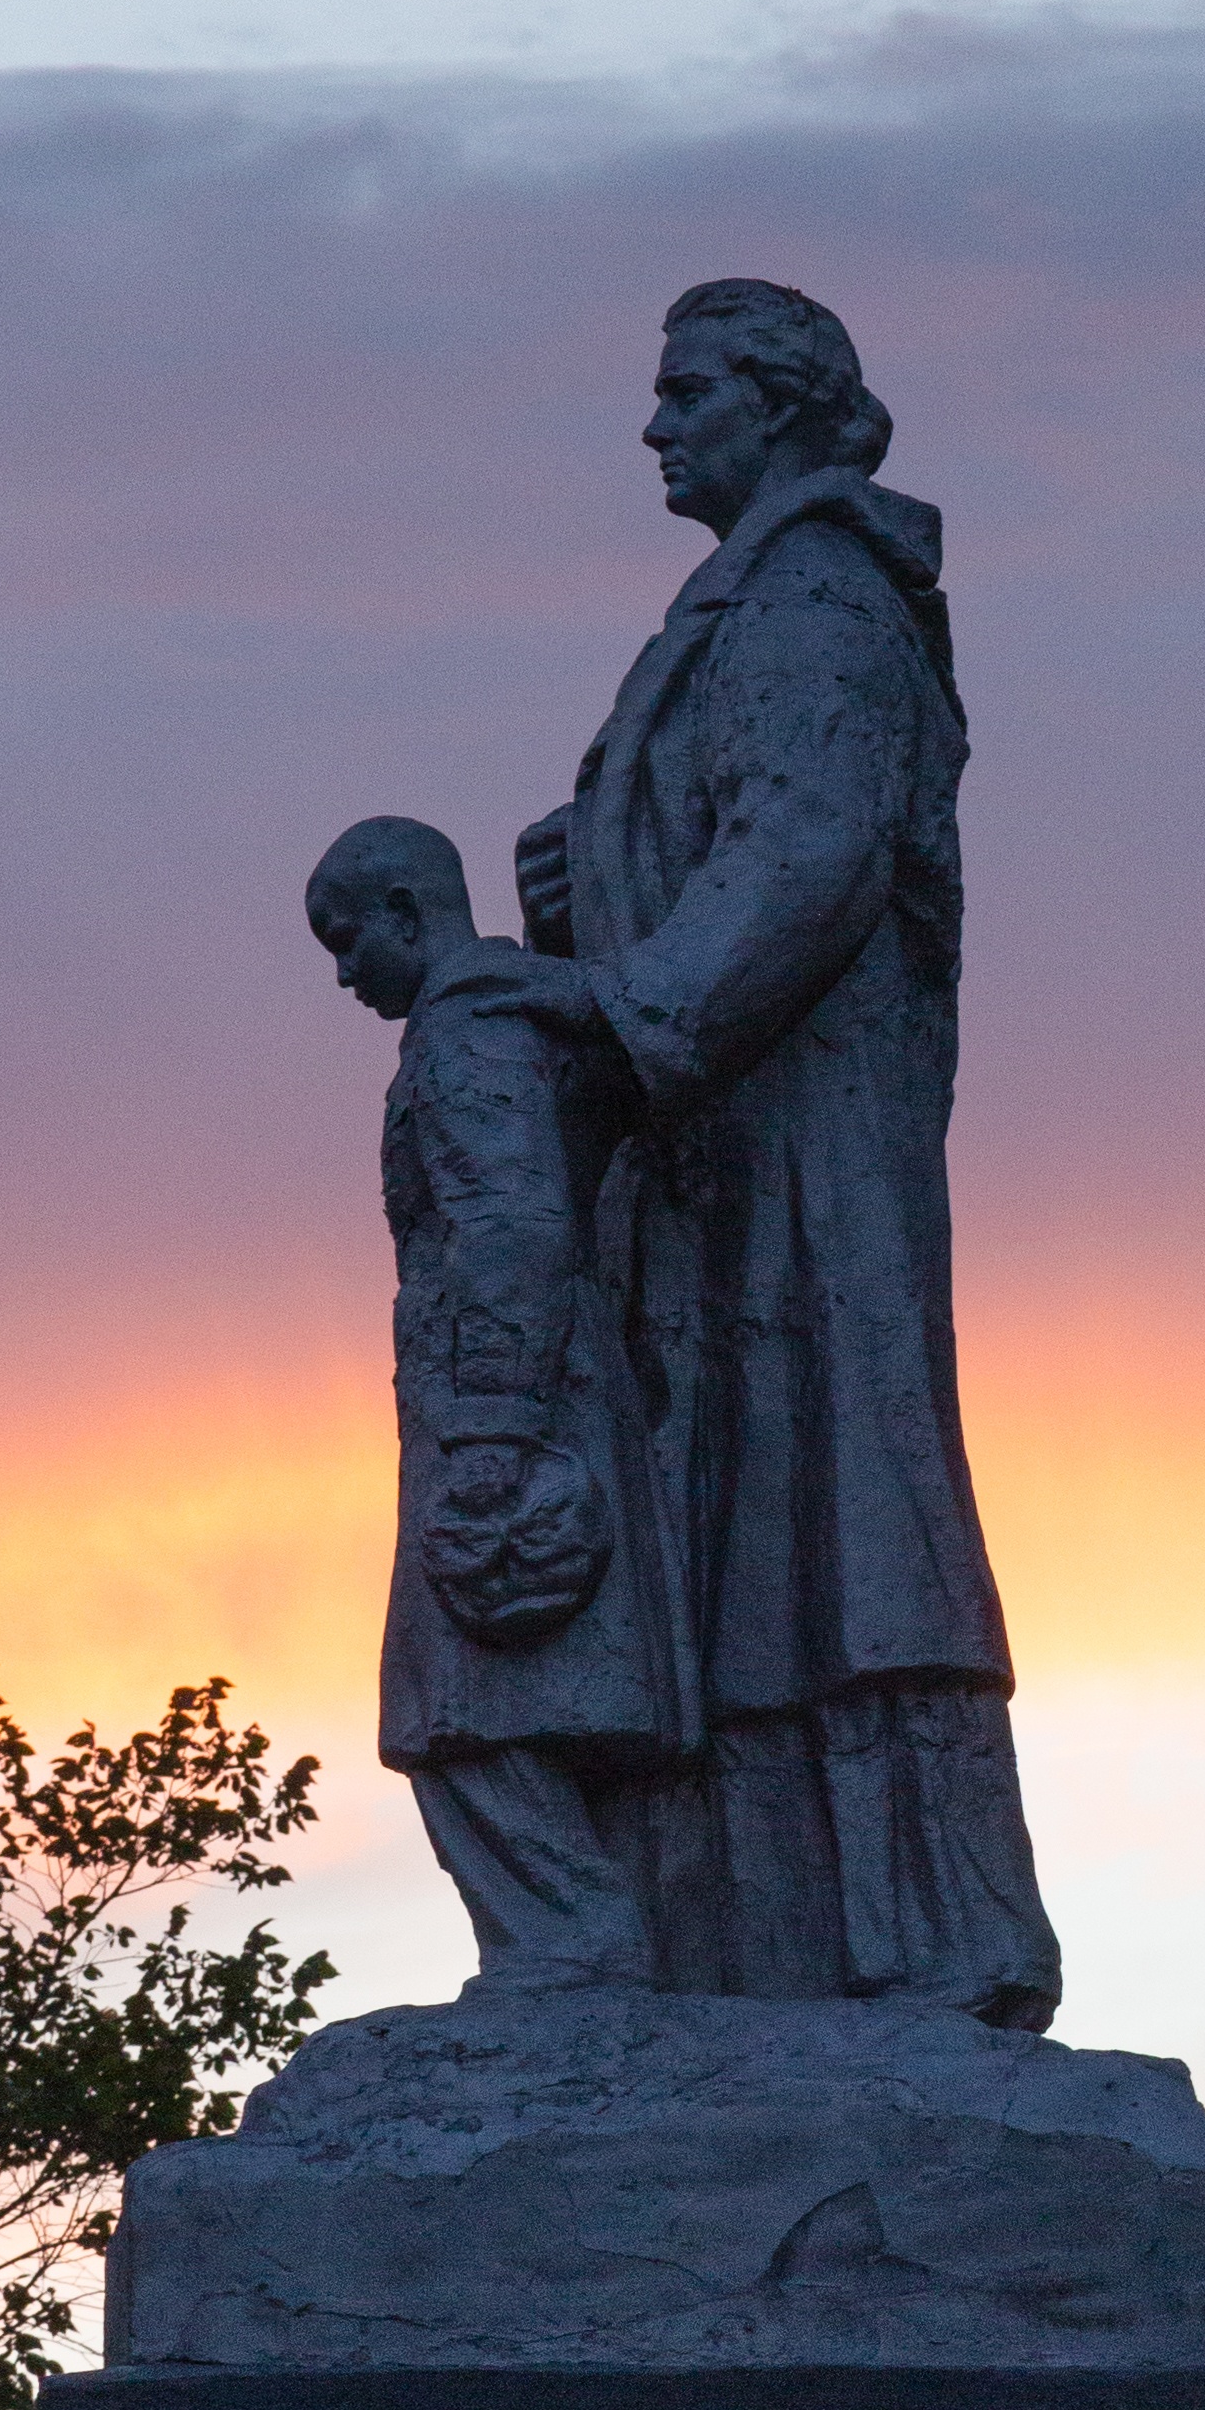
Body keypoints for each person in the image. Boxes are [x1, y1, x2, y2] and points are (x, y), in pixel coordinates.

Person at [501, 281, 1060, 2029]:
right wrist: (588, 873)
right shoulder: (751, 599)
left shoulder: (818, 599)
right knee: (731, 1523)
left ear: (781, 403)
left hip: (803, 1139)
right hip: (713, 1146)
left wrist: (621, 1001)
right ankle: (735, 1936)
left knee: (849, 1506)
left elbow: (803, 852)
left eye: (687, 392)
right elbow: (732, 834)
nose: (656, 426)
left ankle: (940, 1933)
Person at [306, 811, 688, 1985]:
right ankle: (573, 1950)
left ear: (411, 915)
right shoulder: (514, 1023)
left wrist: (491, 1429)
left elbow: (510, 1227)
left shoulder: (469, 1038)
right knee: (482, 1703)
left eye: (349, 936)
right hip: (530, 1396)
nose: (343, 972)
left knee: (453, 1710)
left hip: (510, 1411)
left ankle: (570, 1953)